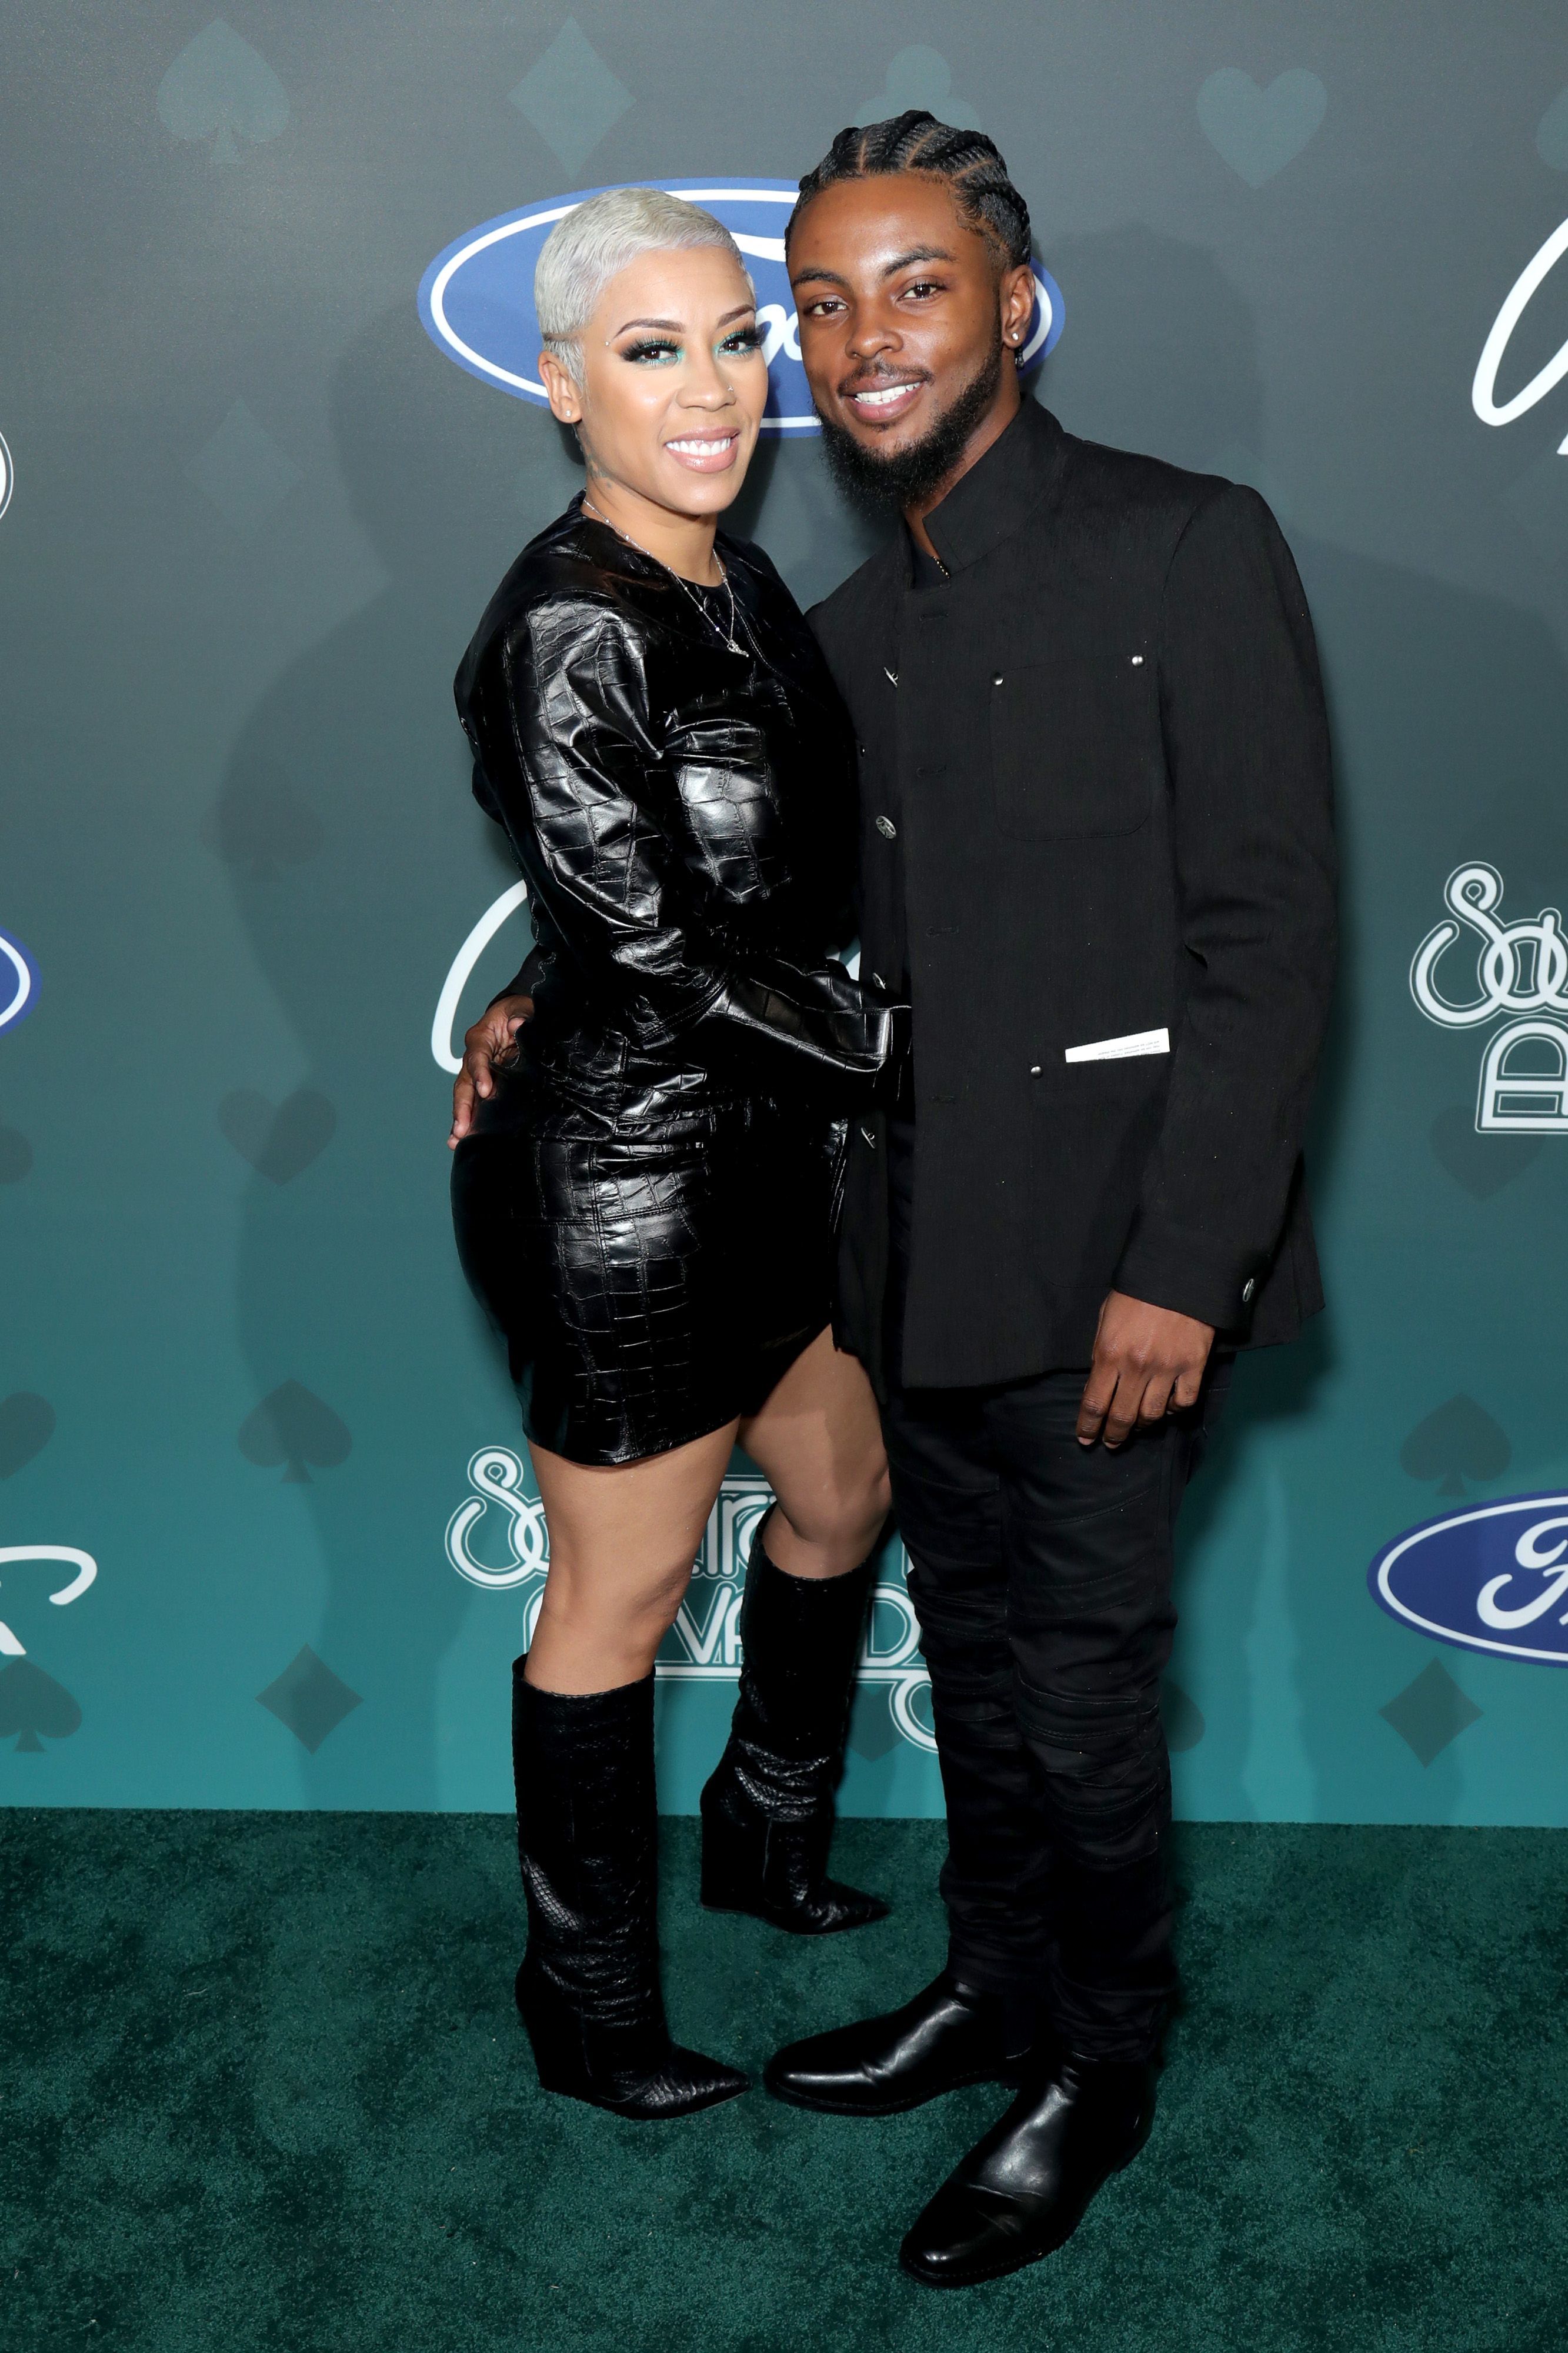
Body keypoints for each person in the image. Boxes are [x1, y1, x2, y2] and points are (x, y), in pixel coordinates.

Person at [759, 115, 1337, 2285]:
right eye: (820, 301)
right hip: (912, 1262)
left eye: (909, 286)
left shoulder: (1188, 545)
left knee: (1083, 1693)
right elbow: (749, 909)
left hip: (1114, 1271)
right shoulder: (838, 623)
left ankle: (1098, 2063)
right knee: (981, 1665)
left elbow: (1265, 939)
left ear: (1012, 301)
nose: (858, 338)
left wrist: (1185, 1268)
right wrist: (544, 1003)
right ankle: (991, 1989)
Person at [448, 188, 906, 2122]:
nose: (714, 385)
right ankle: (589, 2000)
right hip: (628, 1192)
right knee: (610, 1609)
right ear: (563, 384)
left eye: (734, 336)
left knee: (842, 1492)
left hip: (781, 1155)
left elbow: (720, 902)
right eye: (653, 350)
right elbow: (661, 948)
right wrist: (911, 1057)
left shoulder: (734, 576)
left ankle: (764, 1835)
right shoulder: (566, 622)